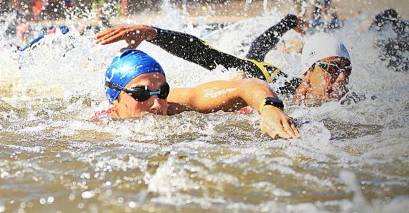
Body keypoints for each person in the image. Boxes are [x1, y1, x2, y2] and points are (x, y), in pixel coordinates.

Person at [95, 16, 352, 105]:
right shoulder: (277, 84)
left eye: (346, 70)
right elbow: (208, 54)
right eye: (330, 69)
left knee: (254, 54)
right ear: (308, 71)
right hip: (255, 71)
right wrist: (154, 33)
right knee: (250, 59)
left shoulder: (351, 102)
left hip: (256, 67)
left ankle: (288, 20)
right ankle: (288, 20)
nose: (340, 79)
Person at [93, 48, 300, 139]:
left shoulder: (177, 103)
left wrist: (269, 107)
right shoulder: (95, 129)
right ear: (115, 102)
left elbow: (246, 86)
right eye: (141, 94)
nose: (157, 105)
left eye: (162, 91)